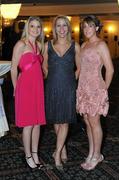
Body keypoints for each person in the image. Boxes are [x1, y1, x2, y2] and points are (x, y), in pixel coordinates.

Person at [43, 15, 81, 170]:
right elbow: (44, 66)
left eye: (64, 25)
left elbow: (79, 68)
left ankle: (57, 153)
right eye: (58, 25)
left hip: (68, 87)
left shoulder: (75, 45)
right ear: (54, 28)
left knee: (65, 120)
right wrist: (50, 78)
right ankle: (63, 147)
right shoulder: (47, 45)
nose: (61, 29)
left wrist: (72, 81)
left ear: (68, 28)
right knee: (57, 120)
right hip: (52, 86)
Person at [76, 15, 114, 171]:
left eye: (90, 26)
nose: (87, 29)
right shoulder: (84, 45)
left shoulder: (101, 45)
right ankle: (91, 152)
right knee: (87, 121)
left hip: (95, 89)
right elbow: (81, 68)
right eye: (84, 27)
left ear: (97, 28)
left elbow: (110, 69)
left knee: (94, 122)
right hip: (83, 88)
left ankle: (97, 155)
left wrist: (104, 88)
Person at [11, 16, 46, 169]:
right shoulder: (21, 44)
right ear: (27, 28)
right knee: (29, 124)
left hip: (38, 87)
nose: (35, 29)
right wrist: (15, 88)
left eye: (38, 27)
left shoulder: (39, 45)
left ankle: (35, 152)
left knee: (38, 123)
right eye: (32, 26)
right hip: (25, 88)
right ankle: (28, 155)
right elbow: (13, 69)